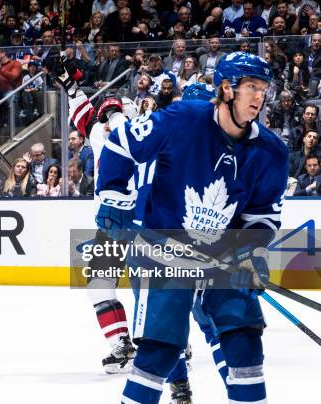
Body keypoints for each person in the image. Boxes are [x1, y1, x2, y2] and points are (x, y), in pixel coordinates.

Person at [95, 52, 287, 404]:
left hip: (222, 254)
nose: (259, 97)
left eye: (263, 89)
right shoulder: (183, 119)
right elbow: (120, 143)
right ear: (227, 89)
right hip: (163, 249)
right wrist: (113, 197)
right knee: (161, 348)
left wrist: (250, 250)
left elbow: (262, 215)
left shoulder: (272, 151)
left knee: (244, 339)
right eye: (251, 87)